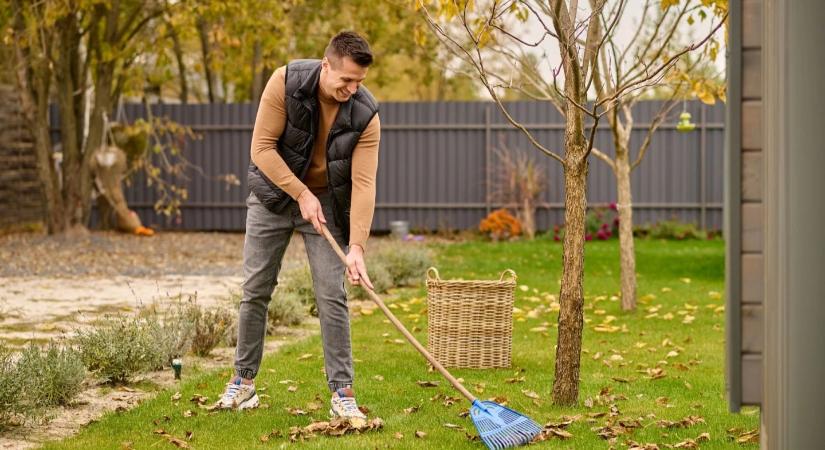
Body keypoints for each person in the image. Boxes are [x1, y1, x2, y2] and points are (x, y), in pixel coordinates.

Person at [217, 31, 380, 427]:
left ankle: (343, 393)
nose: (352, 89)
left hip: (324, 202)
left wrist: (356, 246)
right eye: (346, 80)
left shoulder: (366, 113)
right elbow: (262, 149)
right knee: (255, 289)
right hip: (273, 196)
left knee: (331, 294)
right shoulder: (285, 82)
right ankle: (243, 382)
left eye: (359, 82)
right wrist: (300, 193)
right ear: (326, 66)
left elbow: (363, 184)